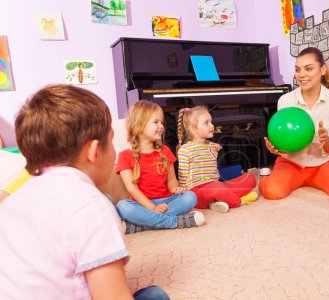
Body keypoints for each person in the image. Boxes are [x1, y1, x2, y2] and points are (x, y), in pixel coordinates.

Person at [0, 84, 169, 299]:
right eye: (111, 141)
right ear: (94, 151)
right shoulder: (92, 207)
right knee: (155, 295)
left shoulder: (14, 200)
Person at [259, 47, 329, 200]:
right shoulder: (286, 101)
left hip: (321, 164)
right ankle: (267, 178)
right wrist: (276, 149)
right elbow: (284, 147)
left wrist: (326, 140)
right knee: (273, 192)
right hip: (291, 163)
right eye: (297, 70)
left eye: (308, 69)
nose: (301, 75)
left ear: (322, 69)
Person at [116, 100, 205, 232]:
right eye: (156, 122)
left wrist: (176, 189)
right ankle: (174, 222)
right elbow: (132, 189)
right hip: (141, 205)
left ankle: (142, 224)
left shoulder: (165, 151)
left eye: (162, 122)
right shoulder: (124, 156)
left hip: (167, 202)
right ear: (139, 125)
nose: (161, 126)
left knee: (190, 197)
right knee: (122, 206)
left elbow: (171, 180)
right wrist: (152, 208)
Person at [177, 106, 258, 213]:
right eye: (206, 123)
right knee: (217, 187)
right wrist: (184, 195)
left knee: (250, 178)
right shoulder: (185, 150)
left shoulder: (213, 146)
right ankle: (239, 201)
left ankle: (217, 201)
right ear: (193, 129)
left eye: (211, 122)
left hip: (215, 186)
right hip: (196, 193)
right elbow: (182, 176)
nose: (212, 126)